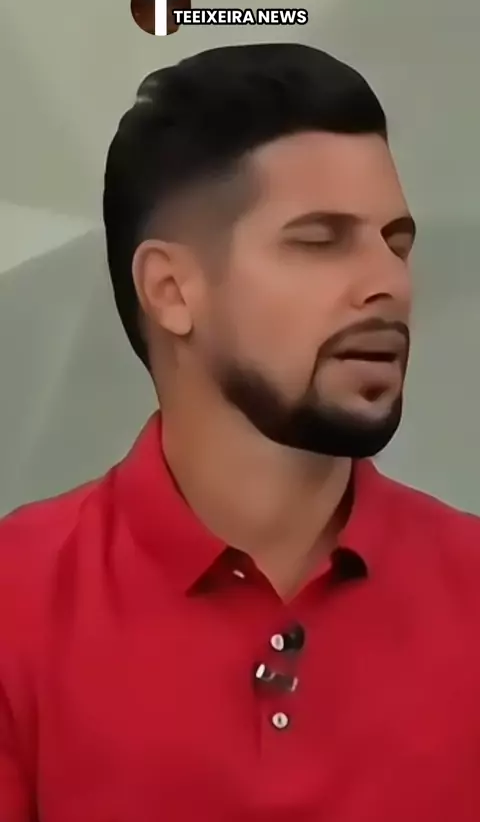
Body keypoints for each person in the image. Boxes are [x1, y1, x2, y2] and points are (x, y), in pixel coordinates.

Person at [1, 42, 479, 822]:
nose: (389, 283)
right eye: (319, 241)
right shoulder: (15, 605)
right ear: (170, 290)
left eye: (396, 242)